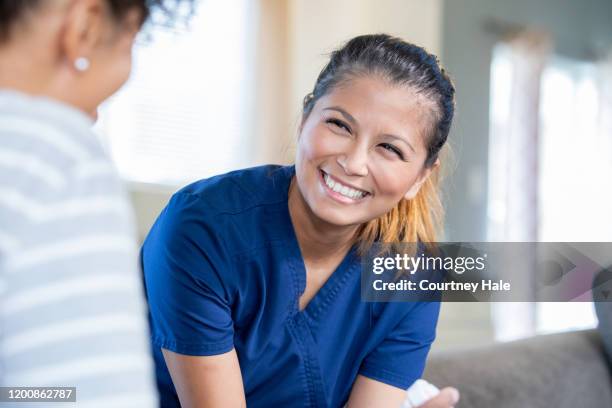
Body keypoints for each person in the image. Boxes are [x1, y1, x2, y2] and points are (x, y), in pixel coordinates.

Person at [142, 34, 460, 408]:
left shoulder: (412, 275)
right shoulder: (202, 229)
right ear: (305, 118)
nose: (353, 163)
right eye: (340, 125)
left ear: (420, 177)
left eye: (389, 148)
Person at [0, 0, 193, 406]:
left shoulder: (367, 253)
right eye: (338, 125)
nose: (353, 163)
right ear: (84, 24)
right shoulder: (51, 154)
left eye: (370, 146)